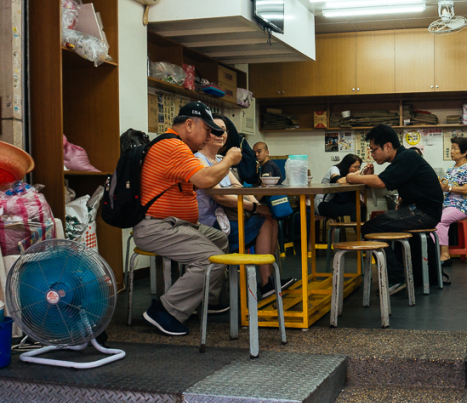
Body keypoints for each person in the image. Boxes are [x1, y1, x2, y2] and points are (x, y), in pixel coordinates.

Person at [133, 102, 239, 336]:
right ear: (190, 124)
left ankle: (205, 301)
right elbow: (204, 179)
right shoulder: (173, 147)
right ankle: (164, 311)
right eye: (208, 130)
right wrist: (229, 160)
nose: (210, 135)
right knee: (212, 259)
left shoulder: (174, 145)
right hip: (158, 227)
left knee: (219, 239)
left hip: (175, 224)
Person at [196, 115, 294, 300]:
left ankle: (269, 280)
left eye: (224, 130)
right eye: (215, 130)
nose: (221, 134)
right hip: (212, 225)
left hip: (229, 218)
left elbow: (239, 189)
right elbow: (221, 195)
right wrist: (256, 209)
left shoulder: (220, 160)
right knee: (264, 219)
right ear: (206, 134)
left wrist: (257, 206)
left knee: (270, 217)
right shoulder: (199, 160)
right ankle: (266, 283)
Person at [345, 124, 444, 291]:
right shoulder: (402, 159)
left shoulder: (407, 157)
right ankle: (400, 275)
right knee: (377, 225)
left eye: (374, 149)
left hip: (424, 213)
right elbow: (383, 181)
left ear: (388, 146)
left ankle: (397, 277)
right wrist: (366, 178)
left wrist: (352, 177)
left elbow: (381, 182)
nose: (372, 153)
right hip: (420, 210)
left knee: (370, 227)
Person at [437, 137, 467, 264]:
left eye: (455, 149)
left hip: (460, 206)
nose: (451, 151)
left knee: (441, 220)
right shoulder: (451, 168)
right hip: (446, 205)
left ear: (464, 152)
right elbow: (446, 186)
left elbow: (466, 190)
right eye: (451, 148)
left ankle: (445, 255)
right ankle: (433, 253)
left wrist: (447, 188)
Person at [313, 154, 368, 220]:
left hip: (335, 202)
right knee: (354, 207)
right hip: (322, 204)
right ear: (346, 165)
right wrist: (356, 175)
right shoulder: (334, 169)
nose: (357, 170)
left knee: (362, 206)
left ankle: (364, 229)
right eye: (355, 167)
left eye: (358, 167)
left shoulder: (347, 174)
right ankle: (359, 230)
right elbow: (339, 181)